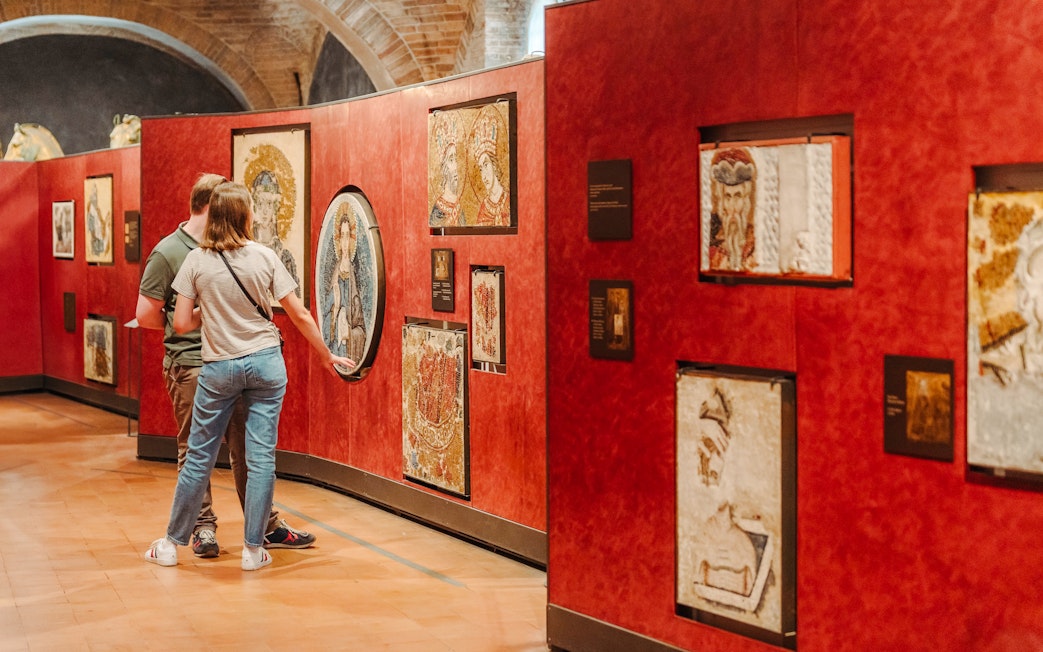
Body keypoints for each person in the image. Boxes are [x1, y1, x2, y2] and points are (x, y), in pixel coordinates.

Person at [144, 181, 353, 571]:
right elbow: (299, 313)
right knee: (260, 460)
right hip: (267, 364)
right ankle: (254, 550)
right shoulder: (265, 257)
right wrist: (325, 355)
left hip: (220, 367)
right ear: (243, 215)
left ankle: (171, 544)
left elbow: (183, 322)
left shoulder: (196, 262)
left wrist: (215, 311)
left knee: (199, 458)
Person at [707, 147, 757, 271]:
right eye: (727, 197)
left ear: (746, 201)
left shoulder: (755, 243)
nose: (733, 206)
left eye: (738, 196)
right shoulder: (713, 241)